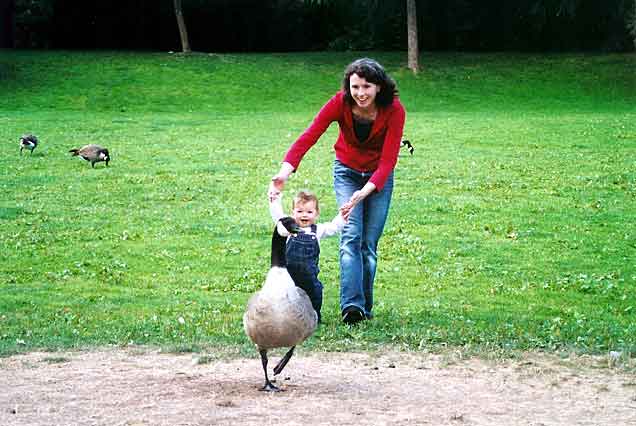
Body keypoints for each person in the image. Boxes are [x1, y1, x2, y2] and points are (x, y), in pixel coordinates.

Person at [268, 58, 406, 325]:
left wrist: (365, 192)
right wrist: (284, 172)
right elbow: (310, 135)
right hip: (347, 171)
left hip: (378, 178)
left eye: (367, 86)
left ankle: (365, 304)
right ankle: (352, 307)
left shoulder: (394, 110)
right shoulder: (340, 103)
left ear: (379, 87)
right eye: (355, 86)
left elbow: (388, 160)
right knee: (351, 236)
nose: (361, 93)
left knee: (368, 245)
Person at [270, 189, 345, 323]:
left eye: (309, 212)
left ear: (316, 214)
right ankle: (287, 318)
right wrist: (275, 201)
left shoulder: (318, 230)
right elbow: (278, 218)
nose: (304, 215)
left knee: (315, 293)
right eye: (299, 211)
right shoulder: (288, 229)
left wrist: (343, 216)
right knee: (287, 297)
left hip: (309, 275)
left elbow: (334, 227)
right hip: (289, 275)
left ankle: (314, 317)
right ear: (293, 213)